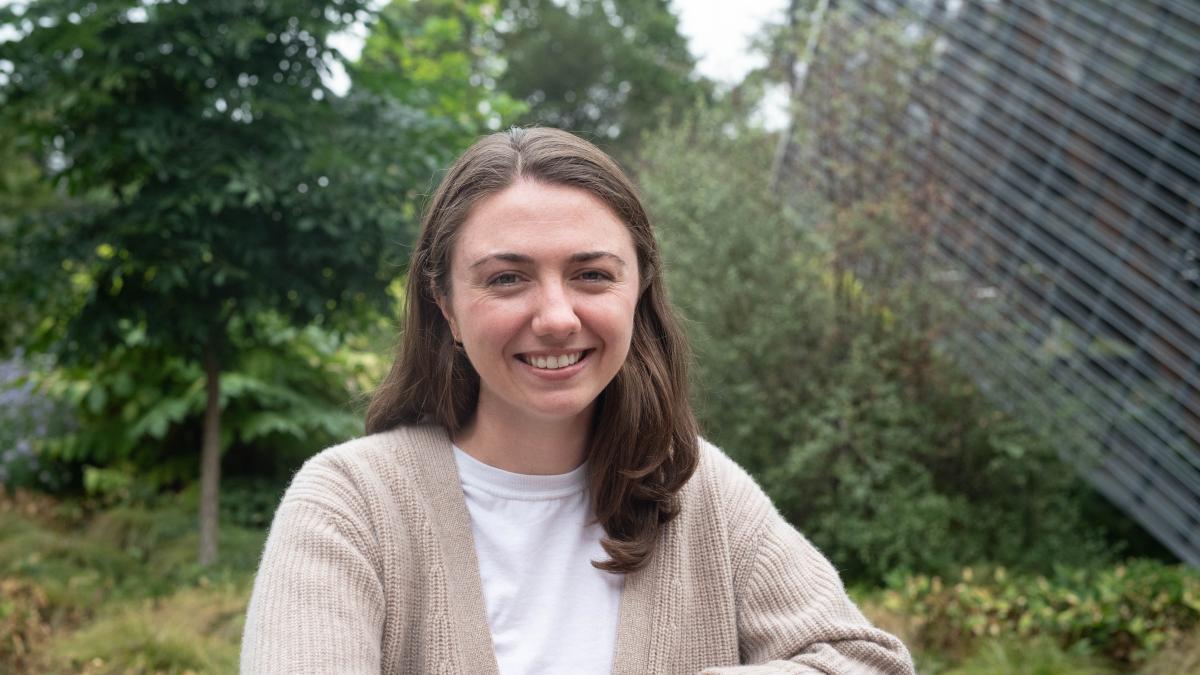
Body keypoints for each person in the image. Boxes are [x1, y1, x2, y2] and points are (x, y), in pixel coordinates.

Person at [240, 127, 915, 674]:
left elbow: (865, 662)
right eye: (507, 278)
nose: (557, 316)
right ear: (444, 303)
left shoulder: (698, 491)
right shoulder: (350, 504)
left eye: (592, 274)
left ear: (639, 288)